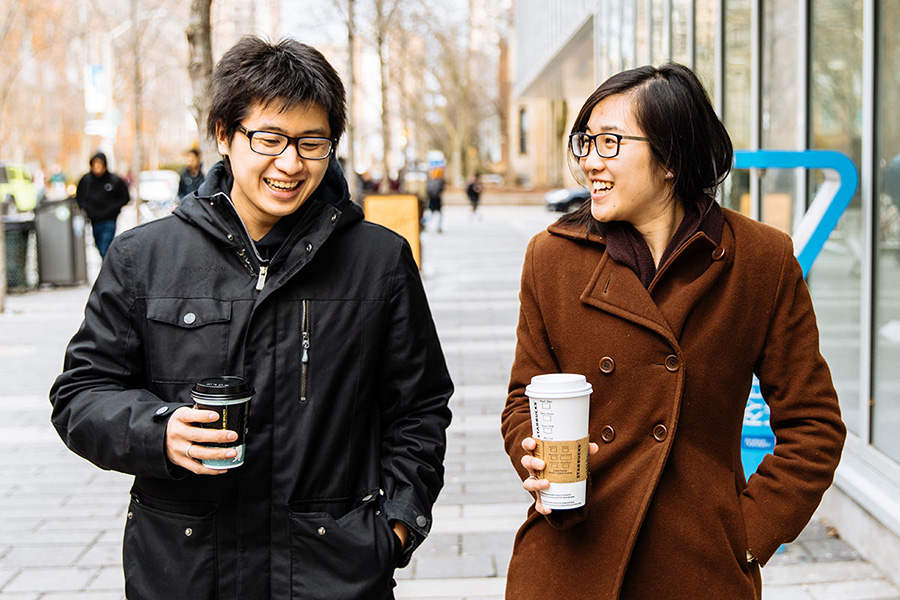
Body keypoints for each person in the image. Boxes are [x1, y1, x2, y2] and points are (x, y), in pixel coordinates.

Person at [50, 36, 453, 600]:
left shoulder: (378, 261)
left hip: (334, 572)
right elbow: (80, 394)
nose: (290, 163)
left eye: (313, 143)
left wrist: (396, 525)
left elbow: (420, 406)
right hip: (184, 570)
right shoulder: (144, 257)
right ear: (224, 134)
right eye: (269, 139)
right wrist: (159, 430)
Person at [500, 63, 846, 600]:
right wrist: (535, 454)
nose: (590, 160)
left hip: (699, 568)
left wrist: (747, 536)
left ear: (671, 158)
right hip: (570, 562)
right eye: (586, 141)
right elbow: (525, 396)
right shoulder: (552, 258)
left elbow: (814, 425)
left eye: (610, 142)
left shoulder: (760, 260)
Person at [74, 151, 131, 259]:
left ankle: (108, 271)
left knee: (106, 247)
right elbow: (80, 198)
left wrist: (112, 209)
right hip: (94, 220)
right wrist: (87, 210)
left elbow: (125, 197)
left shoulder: (114, 180)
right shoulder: (86, 181)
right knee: (100, 247)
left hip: (109, 219)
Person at [425, 168, 445, 233]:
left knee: (431, 214)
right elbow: (441, 189)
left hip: (432, 199)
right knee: (436, 214)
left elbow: (427, 190)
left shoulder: (430, 181)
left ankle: (425, 224)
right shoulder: (439, 182)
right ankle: (438, 227)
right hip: (436, 199)